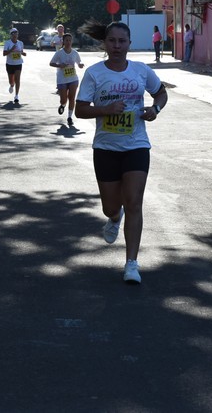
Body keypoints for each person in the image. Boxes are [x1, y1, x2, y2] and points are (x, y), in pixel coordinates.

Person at [75, 21, 168, 285]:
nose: (117, 46)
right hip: (105, 148)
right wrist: (105, 110)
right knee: (110, 207)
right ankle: (115, 218)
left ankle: (131, 264)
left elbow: (160, 94)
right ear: (105, 43)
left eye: (122, 41)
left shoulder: (141, 71)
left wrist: (155, 110)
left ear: (129, 44)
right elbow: (80, 110)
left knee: (134, 202)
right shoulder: (94, 74)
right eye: (112, 41)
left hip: (136, 145)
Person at [49, 33, 84, 126]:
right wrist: (59, 65)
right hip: (62, 79)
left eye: (70, 40)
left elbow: (79, 62)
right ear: (63, 42)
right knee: (63, 100)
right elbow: (51, 63)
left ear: (71, 41)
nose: (68, 42)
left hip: (73, 78)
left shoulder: (75, 53)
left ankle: (69, 117)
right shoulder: (59, 53)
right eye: (66, 40)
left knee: (72, 98)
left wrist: (80, 65)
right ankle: (63, 105)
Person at [3, 27, 26, 104]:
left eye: (16, 33)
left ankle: (16, 96)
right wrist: (11, 50)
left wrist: (23, 53)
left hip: (18, 63)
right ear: (11, 35)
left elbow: (21, 51)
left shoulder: (20, 43)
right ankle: (12, 85)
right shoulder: (7, 43)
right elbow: (4, 54)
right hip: (10, 63)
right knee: (11, 80)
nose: (15, 35)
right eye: (13, 33)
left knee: (18, 79)